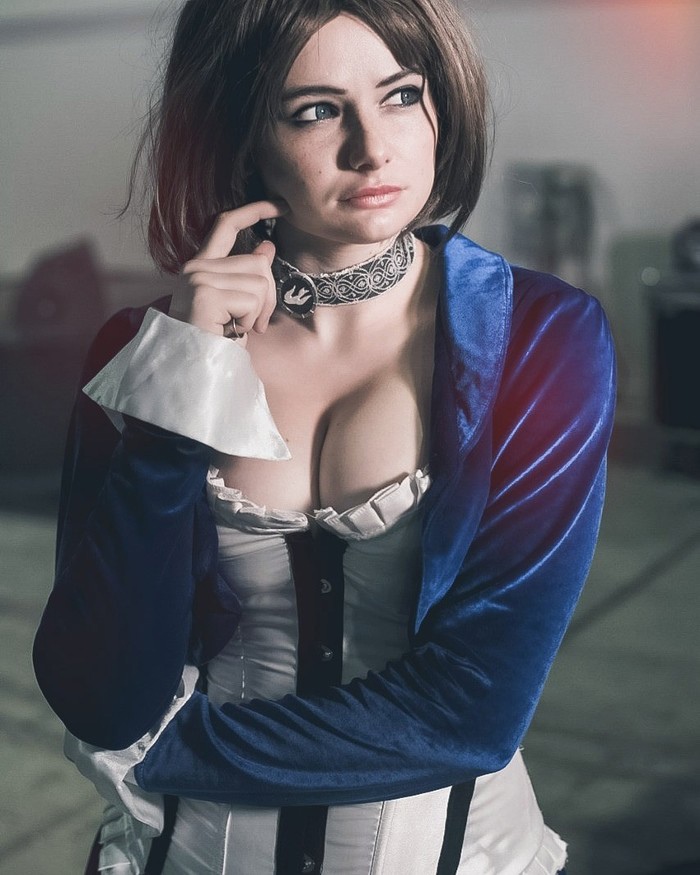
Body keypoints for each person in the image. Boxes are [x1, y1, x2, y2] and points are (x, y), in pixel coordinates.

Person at [33, 1, 615, 873]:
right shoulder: (144, 349)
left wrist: (168, 756)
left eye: (401, 95)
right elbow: (102, 691)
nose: (373, 149)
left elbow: (468, 714)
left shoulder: (540, 337)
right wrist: (182, 391)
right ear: (239, 133)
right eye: (315, 111)